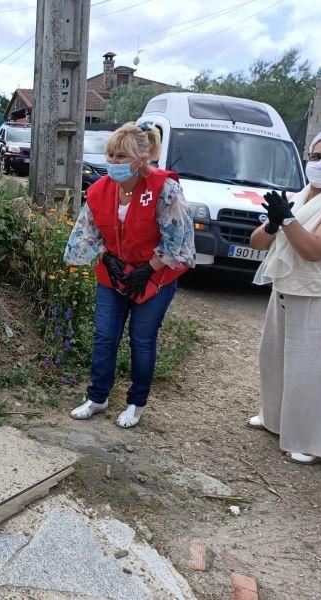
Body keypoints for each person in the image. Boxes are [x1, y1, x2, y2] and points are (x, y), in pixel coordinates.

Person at [64, 123, 195, 428]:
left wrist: (148, 269)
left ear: (142, 157)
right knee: (104, 336)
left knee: (142, 340)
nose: (113, 161)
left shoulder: (164, 189)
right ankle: (97, 397)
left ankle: (136, 403)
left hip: (154, 276)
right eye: (110, 154)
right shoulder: (99, 190)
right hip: (115, 274)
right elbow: (88, 234)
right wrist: (105, 257)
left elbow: (179, 240)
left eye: (121, 155)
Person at [248, 126, 321, 464]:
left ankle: (312, 442)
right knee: (276, 361)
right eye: (316, 156)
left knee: (314, 372)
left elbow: (314, 250)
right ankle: (275, 419)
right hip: (286, 289)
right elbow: (256, 244)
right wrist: (272, 223)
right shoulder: (299, 196)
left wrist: (287, 220)